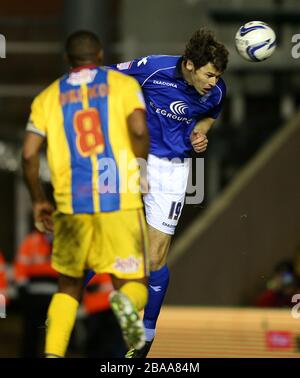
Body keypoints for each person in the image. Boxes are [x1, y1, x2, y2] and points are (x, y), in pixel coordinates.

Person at [22, 30, 149, 358]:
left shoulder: (47, 98)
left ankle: (52, 354)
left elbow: (28, 155)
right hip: (119, 199)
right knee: (132, 281)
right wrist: (141, 169)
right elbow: (138, 129)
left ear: (67, 59)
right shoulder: (123, 86)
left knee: (68, 287)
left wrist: (38, 198)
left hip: (71, 206)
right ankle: (124, 305)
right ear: (101, 55)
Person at [109, 28, 229, 357]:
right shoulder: (154, 68)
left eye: (218, 76)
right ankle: (77, 298)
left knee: (155, 256)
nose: (213, 82)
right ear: (189, 64)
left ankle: (145, 334)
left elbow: (209, 116)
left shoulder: (216, 92)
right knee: (111, 237)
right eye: (208, 74)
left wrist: (201, 133)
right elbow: (106, 76)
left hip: (174, 171)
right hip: (136, 161)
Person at [14, 230, 58, 357]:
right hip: (33, 297)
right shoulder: (31, 241)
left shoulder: (62, 240)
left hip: (55, 297)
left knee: (53, 336)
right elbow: (21, 265)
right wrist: (22, 289)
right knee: (30, 334)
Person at [83, 273, 126, 357]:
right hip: (96, 310)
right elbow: (87, 286)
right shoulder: (93, 268)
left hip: (113, 309)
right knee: (97, 345)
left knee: (115, 344)